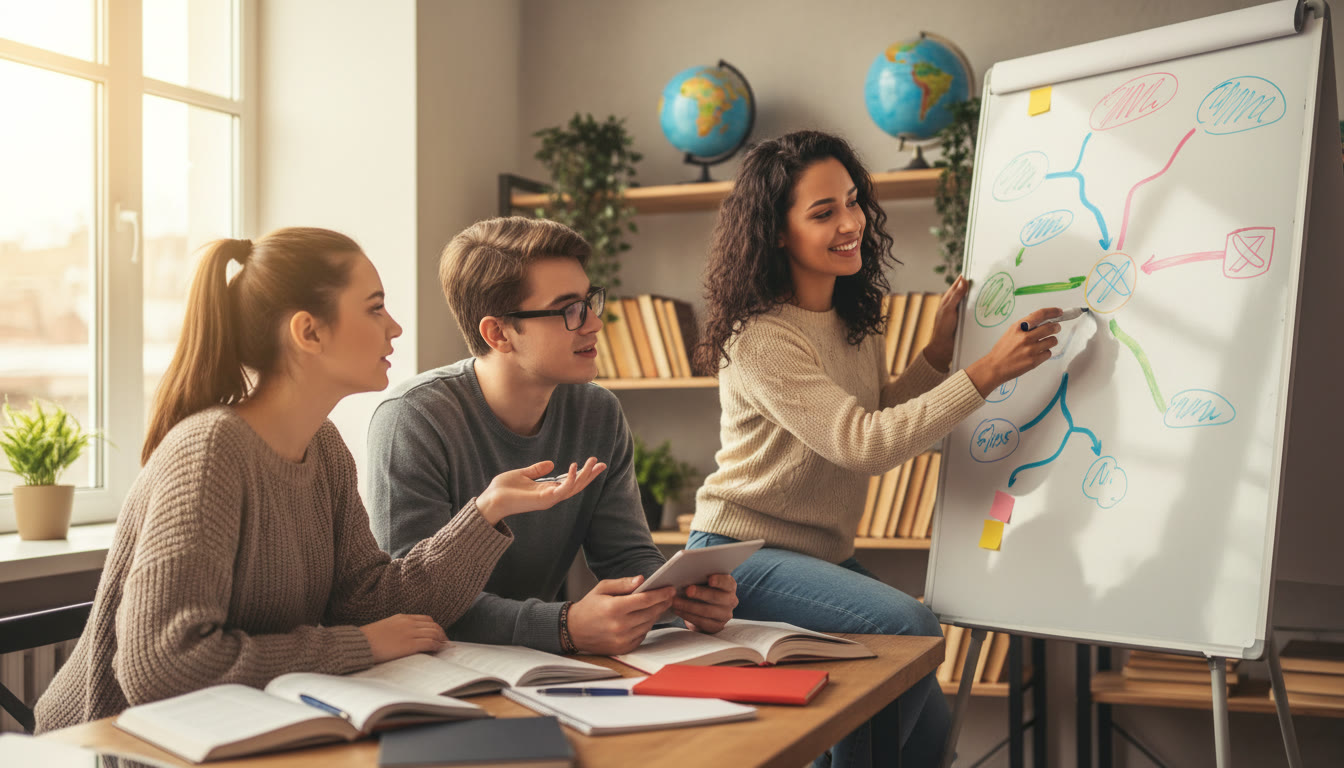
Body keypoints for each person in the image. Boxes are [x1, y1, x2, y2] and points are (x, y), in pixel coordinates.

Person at [34, 228, 604, 733]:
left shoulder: (323, 446)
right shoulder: (210, 451)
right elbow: (164, 666)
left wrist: (485, 514)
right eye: (375, 309)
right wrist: (358, 646)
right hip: (113, 747)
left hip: (241, 732)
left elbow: (366, 597)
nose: (396, 326)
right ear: (309, 331)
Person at [686, 131, 1061, 768]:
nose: (851, 223)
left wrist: (938, 356)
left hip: (820, 554)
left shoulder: (850, 316)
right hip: (737, 556)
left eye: (854, 202)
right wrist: (986, 372)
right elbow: (863, 445)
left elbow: (875, 413)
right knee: (907, 627)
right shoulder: (760, 338)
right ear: (777, 233)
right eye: (824, 211)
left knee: (928, 733)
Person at [366, 217, 737, 656]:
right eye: (569, 310)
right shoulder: (413, 420)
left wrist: (679, 598)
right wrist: (563, 625)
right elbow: (412, 605)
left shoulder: (597, 411)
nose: (595, 323)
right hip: (438, 670)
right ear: (498, 333)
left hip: (541, 664)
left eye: (589, 301)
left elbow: (626, 556)